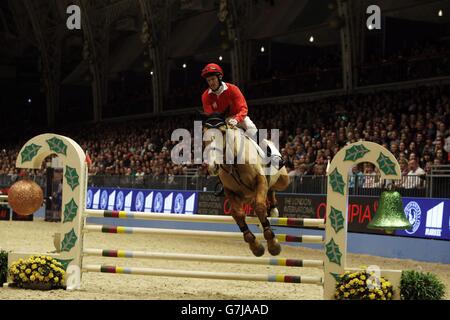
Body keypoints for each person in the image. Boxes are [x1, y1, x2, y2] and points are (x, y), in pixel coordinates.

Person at [201, 63, 284, 171]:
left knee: (251, 128)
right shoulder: (205, 96)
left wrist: (236, 119)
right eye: (208, 81)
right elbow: (210, 116)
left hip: (238, 117)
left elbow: (243, 108)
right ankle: (211, 164)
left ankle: (273, 156)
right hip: (221, 122)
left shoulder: (233, 89)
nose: (211, 83)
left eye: (213, 79)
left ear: (219, 77)